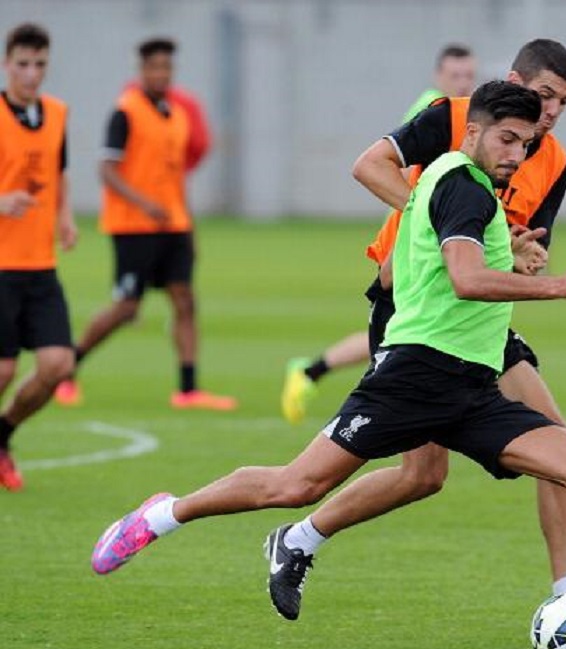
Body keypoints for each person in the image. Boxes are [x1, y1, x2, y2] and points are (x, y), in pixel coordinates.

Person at [91, 82, 566, 637]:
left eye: (525, 144)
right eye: (507, 140)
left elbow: (452, 260)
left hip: (471, 387)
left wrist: (512, 253)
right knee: (295, 485)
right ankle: (161, 516)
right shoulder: (462, 186)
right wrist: (557, 286)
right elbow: (465, 277)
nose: (517, 155)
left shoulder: (470, 186)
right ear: (474, 131)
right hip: (414, 376)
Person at [280, 39, 566, 649]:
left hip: (479, 319)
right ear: (514, 82)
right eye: (545, 95)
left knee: (561, 450)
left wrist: (524, 254)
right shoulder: (452, 117)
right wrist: (440, 218)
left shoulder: (554, 162)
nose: (552, 112)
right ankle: (298, 537)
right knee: (421, 477)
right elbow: (369, 165)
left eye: (565, 103)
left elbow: (526, 244)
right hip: (413, 310)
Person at [281, 43, 477, 425]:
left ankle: (312, 372)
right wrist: (427, 218)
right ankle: (342, 411)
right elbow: (396, 168)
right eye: (455, 75)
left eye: (469, 75)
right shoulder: (434, 108)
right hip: (413, 239)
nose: (463, 82)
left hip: (426, 237)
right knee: (402, 342)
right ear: (438, 76)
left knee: (402, 336)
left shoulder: (463, 114)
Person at [52, 38, 236, 411]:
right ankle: (66, 370)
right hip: (134, 227)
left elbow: (177, 177)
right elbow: (107, 170)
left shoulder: (177, 115)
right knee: (126, 309)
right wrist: (144, 203)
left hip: (174, 226)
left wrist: (188, 226)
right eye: (154, 67)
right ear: (141, 71)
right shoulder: (125, 112)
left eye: (166, 68)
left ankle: (188, 390)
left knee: (185, 301)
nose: (161, 74)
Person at [0, 23, 77, 491]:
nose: (32, 73)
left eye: (40, 64)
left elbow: (58, 171)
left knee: (57, 365)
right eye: (23, 64)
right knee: (4, 369)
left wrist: (65, 218)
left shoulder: (57, 113)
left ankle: (2, 433)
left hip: (40, 265)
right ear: (7, 64)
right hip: (1, 266)